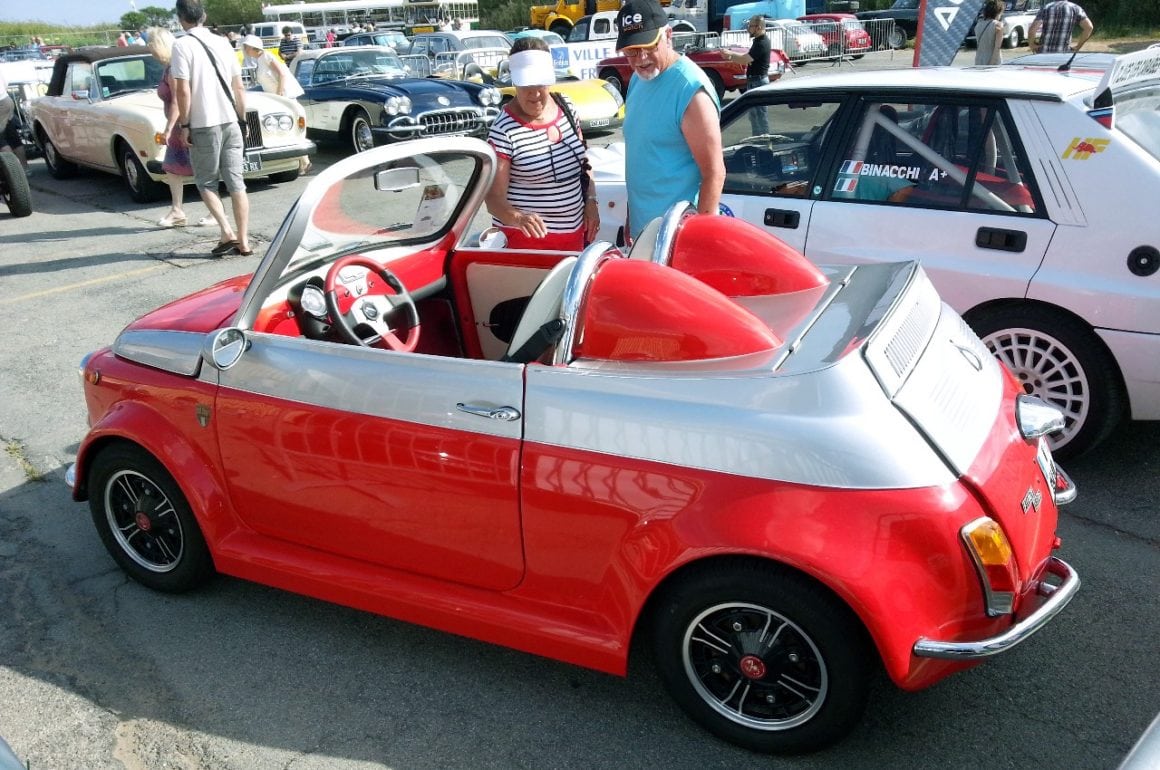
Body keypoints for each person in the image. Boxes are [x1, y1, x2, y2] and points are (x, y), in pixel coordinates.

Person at [616, 0, 724, 243]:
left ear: (668, 35)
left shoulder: (690, 90)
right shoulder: (638, 80)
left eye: (648, 46)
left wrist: (697, 242)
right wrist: (632, 217)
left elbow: (714, 173)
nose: (641, 58)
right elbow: (642, 157)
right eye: (631, 51)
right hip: (642, 235)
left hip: (676, 239)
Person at [484, 37, 599, 251]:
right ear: (515, 82)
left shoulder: (566, 106)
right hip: (526, 246)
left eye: (540, 83)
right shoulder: (503, 130)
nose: (535, 93)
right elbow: (493, 199)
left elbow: (584, 163)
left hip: (573, 238)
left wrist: (592, 201)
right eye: (527, 84)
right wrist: (519, 218)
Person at [171, 0, 253, 256]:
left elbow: (182, 90)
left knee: (206, 182)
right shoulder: (223, 42)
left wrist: (185, 124)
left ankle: (227, 232)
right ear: (203, 16)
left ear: (180, 18)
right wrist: (242, 119)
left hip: (203, 122)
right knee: (236, 183)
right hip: (231, 119)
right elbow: (239, 86)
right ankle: (244, 241)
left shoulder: (181, 45)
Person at [147, 26, 211, 228]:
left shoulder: (174, 68)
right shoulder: (170, 67)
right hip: (179, 126)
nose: (150, 50)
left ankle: (214, 211)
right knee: (173, 169)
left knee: (199, 168)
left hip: (184, 125)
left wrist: (169, 128)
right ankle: (177, 210)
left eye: (152, 45)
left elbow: (177, 100)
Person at [241, 33, 312, 175]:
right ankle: (304, 162)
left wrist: (279, 94)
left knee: (294, 129)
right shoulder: (260, 59)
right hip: (277, 98)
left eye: (246, 47)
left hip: (284, 97)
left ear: (252, 47)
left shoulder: (267, 56)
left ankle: (304, 161)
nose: (245, 50)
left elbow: (282, 74)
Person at [723, 15, 771, 135]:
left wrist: (729, 55)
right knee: (754, 115)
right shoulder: (758, 41)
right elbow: (747, 59)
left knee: (760, 116)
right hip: (755, 81)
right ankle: (757, 140)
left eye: (750, 26)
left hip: (758, 82)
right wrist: (732, 54)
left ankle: (764, 142)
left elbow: (745, 60)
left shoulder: (762, 43)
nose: (748, 29)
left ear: (758, 27)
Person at [1028, 0, 1093, 54]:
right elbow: (1089, 27)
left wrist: (1032, 45)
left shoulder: (1046, 8)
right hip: (1064, 53)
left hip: (1043, 52)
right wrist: (1078, 47)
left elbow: (1032, 30)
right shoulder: (1075, 8)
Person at [0, 67, 29, 173]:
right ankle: (24, 169)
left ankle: (14, 173)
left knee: (1, 140)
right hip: (6, 100)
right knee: (11, 135)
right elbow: (5, 82)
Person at [974, 0, 1004, 65]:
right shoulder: (998, 25)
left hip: (979, 58)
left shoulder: (978, 24)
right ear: (997, 12)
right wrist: (991, 64)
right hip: (993, 59)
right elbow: (997, 48)